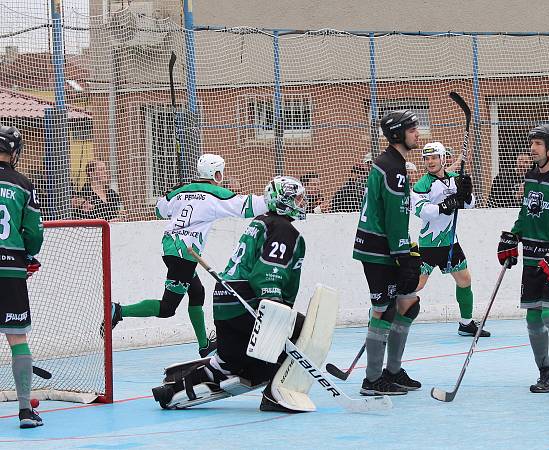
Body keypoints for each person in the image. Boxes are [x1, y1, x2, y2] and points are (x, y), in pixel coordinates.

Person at [151, 176, 333, 413]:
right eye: (297, 198)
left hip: (226, 302)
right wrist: (275, 306)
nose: (302, 202)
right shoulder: (284, 229)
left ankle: (171, 389)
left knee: (228, 363)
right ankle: (274, 394)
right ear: (284, 200)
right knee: (305, 332)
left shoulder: (261, 222)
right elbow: (268, 272)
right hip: (247, 301)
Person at [107, 154, 268, 357]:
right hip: (184, 254)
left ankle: (203, 345)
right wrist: (274, 199)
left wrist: (172, 193)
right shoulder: (215, 194)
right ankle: (118, 311)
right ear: (217, 174)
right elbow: (246, 206)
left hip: (171, 248)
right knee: (167, 308)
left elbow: (159, 210)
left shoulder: (181, 191)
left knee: (197, 292)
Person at [496, 124, 549, 394]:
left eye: (538, 143)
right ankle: (545, 372)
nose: (532, 148)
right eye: (532, 143)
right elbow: (526, 213)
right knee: (533, 317)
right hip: (532, 257)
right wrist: (514, 235)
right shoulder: (531, 176)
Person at [353, 110, 422, 396]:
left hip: (389, 245)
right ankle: (372, 379)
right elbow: (394, 216)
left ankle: (393, 371)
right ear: (397, 134)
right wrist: (402, 254)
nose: (417, 133)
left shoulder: (395, 164)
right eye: (412, 129)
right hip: (379, 248)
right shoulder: (391, 168)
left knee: (408, 303)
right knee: (383, 310)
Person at [411, 142, 488, 337]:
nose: (430, 162)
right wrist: (444, 206)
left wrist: (467, 194)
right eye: (427, 158)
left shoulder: (455, 179)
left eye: (434, 157)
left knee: (464, 280)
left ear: (443, 158)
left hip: (451, 242)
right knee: (416, 285)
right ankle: (383, 314)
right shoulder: (422, 184)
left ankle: (466, 323)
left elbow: (469, 205)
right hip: (430, 245)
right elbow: (421, 211)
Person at [0, 126, 45, 428]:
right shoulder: (23, 184)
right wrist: (28, 255)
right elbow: (35, 232)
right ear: (14, 153)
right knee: (17, 338)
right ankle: (25, 411)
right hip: (10, 268)